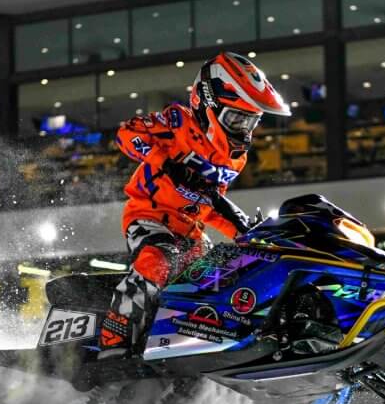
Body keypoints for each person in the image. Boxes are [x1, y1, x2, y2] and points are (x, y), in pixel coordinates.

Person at [99, 52, 291, 356]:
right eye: (237, 119)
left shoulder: (235, 159)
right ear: (209, 105)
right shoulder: (178, 122)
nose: (243, 130)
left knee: (219, 275)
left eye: (250, 122)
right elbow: (126, 135)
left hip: (191, 229)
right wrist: (166, 163)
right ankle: (115, 337)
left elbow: (210, 202)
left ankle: (192, 343)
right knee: (159, 258)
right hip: (150, 214)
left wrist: (245, 235)